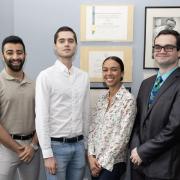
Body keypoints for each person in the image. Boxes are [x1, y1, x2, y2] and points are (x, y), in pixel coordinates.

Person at [35, 26, 90, 180]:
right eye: (62, 41)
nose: (67, 44)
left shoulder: (84, 77)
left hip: (79, 146)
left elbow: (86, 114)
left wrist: (85, 146)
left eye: (71, 41)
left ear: (75, 46)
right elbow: (41, 117)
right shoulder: (45, 76)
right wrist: (47, 154)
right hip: (56, 148)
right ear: (55, 46)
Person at [130, 29, 180, 180]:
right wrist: (135, 149)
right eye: (157, 47)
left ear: (178, 52)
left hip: (166, 167)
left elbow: (175, 128)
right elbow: (137, 122)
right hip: (139, 166)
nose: (162, 51)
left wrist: (143, 152)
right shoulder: (147, 83)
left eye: (168, 47)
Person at [88, 56, 136, 180]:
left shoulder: (128, 100)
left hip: (114, 163)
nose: (109, 73)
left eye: (114, 69)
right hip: (95, 161)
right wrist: (91, 156)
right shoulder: (101, 100)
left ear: (122, 73)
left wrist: (100, 164)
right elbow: (93, 129)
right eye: (105, 70)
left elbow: (122, 137)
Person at [0, 35, 40, 180]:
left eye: (19, 52)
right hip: (5, 148)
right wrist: (17, 149)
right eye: (10, 52)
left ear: (25, 55)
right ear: (2, 55)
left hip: (31, 149)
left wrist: (33, 146)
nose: (15, 56)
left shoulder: (35, 85)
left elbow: (42, 119)